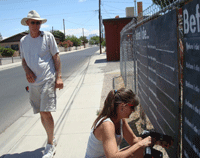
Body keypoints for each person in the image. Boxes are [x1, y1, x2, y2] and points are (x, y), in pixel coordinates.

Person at [20, 10, 63, 158]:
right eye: (33, 22)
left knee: (46, 111)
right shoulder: (23, 41)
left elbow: (56, 56)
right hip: (33, 82)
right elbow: (24, 61)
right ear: (28, 23)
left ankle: (50, 145)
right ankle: (52, 138)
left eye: (38, 22)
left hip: (47, 78)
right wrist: (27, 71)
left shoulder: (48, 37)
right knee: (41, 113)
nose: (36, 25)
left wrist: (59, 77)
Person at [85, 88, 169, 158]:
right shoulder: (107, 125)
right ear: (122, 106)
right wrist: (140, 144)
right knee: (138, 149)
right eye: (132, 107)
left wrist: (157, 141)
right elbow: (113, 157)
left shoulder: (120, 120)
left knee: (142, 151)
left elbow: (133, 140)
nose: (133, 110)